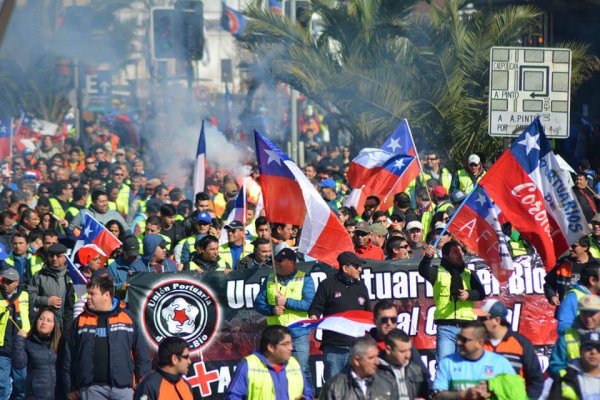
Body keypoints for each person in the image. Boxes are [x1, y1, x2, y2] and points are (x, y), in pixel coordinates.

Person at [63, 274, 151, 399]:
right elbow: (68, 358)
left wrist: (143, 383)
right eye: (88, 293)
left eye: (92, 294)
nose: (88, 297)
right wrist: (70, 388)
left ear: (107, 295)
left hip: (123, 389)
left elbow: (141, 353)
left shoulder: (127, 318)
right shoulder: (80, 320)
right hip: (91, 389)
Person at [255, 248, 315, 385]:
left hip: (298, 333)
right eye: (276, 260)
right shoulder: (270, 279)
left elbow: (309, 304)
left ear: (292, 263)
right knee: (278, 371)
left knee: (301, 369)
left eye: (281, 261)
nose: (277, 263)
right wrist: (271, 309)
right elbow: (258, 303)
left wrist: (286, 302)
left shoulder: (305, 278)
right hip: (277, 334)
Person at [308, 251, 371, 380]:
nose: (360, 269)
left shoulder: (361, 287)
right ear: (345, 268)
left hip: (356, 348)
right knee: (334, 387)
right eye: (356, 266)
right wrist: (314, 316)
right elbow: (315, 307)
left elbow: (368, 314)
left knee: (356, 387)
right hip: (333, 347)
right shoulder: (327, 285)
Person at [419, 241, 486, 361]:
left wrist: (469, 294)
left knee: (466, 365)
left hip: (467, 328)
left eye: (460, 251)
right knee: (444, 365)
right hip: (446, 327)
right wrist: (427, 257)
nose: (460, 254)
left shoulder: (470, 274)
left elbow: (481, 293)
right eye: (455, 252)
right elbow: (423, 270)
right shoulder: (437, 272)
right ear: (445, 256)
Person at [433, 321, 522, 399]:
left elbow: (515, 393)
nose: (459, 342)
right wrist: (463, 395)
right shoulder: (447, 362)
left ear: (480, 343)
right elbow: (437, 395)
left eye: (464, 340)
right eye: (458, 338)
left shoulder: (500, 363)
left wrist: (491, 388)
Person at [476, 299, 543, 399]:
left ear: (497, 320)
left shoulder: (521, 343)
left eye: (482, 319)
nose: (478, 322)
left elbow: (535, 379)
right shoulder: (477, 343)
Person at [227, 325, 313, 400]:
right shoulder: (249, 365)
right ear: (271, 347)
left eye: (291, 343)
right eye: (285, 344)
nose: (290, 348)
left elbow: (307, 393)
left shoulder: (294, 363)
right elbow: (233, 396)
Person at [319, 336, 397, 399]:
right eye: (371, 358)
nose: (377, 362)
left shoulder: (387, 382)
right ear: (356, 360)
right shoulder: (333, 387)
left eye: (376, 356)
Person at [12, 308, 61, 400]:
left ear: (55, 325)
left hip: (57, 394)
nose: (44, 322)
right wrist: (19, 340)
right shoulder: (28, 342)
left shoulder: (60, 343)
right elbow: (18, 364)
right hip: (35, 395)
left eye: (49, 320)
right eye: (41, 319)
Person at [27, 243, 75, 333]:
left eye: (58, 256)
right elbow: (29, 297)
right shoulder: (39, 276)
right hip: (46, 326)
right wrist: (47, 301)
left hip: (68, 324)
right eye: (51, 256)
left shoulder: (72, 276)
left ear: (65, 257)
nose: (54, 258)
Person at [549, 294, 600, 378]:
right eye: (584, 313)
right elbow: (555, 366)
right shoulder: (567, 336)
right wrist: (572, 378)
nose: (588, 318)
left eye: (592, 313)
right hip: (574, 386)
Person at [0, 268, 29, 400]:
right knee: (2, 384)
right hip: (3, 348)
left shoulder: (25, 296)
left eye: (9, 281)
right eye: (4, 281)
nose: (6, 284)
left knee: (21, 382)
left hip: (21, 347)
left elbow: (33, 317)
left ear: (16, 282)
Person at [378, 329, 431, 400]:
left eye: (409, 350)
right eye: (402, 351)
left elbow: (427, 395)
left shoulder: (416, 370)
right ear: (388, 350)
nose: (408, 355)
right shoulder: (375, 372)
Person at [545, 236, 595, 307]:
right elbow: (549, 284)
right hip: (566, 311)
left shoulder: (596, 266)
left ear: (585, 247)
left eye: (574, 246)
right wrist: (552, 296)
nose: (570, 248)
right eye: (569, 245)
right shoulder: (562, 263)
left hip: (591, 312)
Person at [549, 331, 600, 399]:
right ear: (580, 351)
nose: (593, 352)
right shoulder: (564, 377)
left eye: (598, 348)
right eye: (588, 348)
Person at [557, 262, 600, 334]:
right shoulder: (573, 296)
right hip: (580, 343)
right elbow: (563, 327)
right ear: (592, 280)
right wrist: (585, 335)